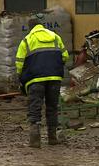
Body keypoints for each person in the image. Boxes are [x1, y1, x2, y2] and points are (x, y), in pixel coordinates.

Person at [15, 17, 69, 148]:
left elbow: (19, 63)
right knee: (52, 107)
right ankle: (52, 138)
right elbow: (65, 56)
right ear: (41, 26)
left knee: (35, 108)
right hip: (54, 79)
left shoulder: (27, 40)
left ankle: (35, 140)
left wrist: (20, 77)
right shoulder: (55, 37)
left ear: (30, 28)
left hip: (35, 80)